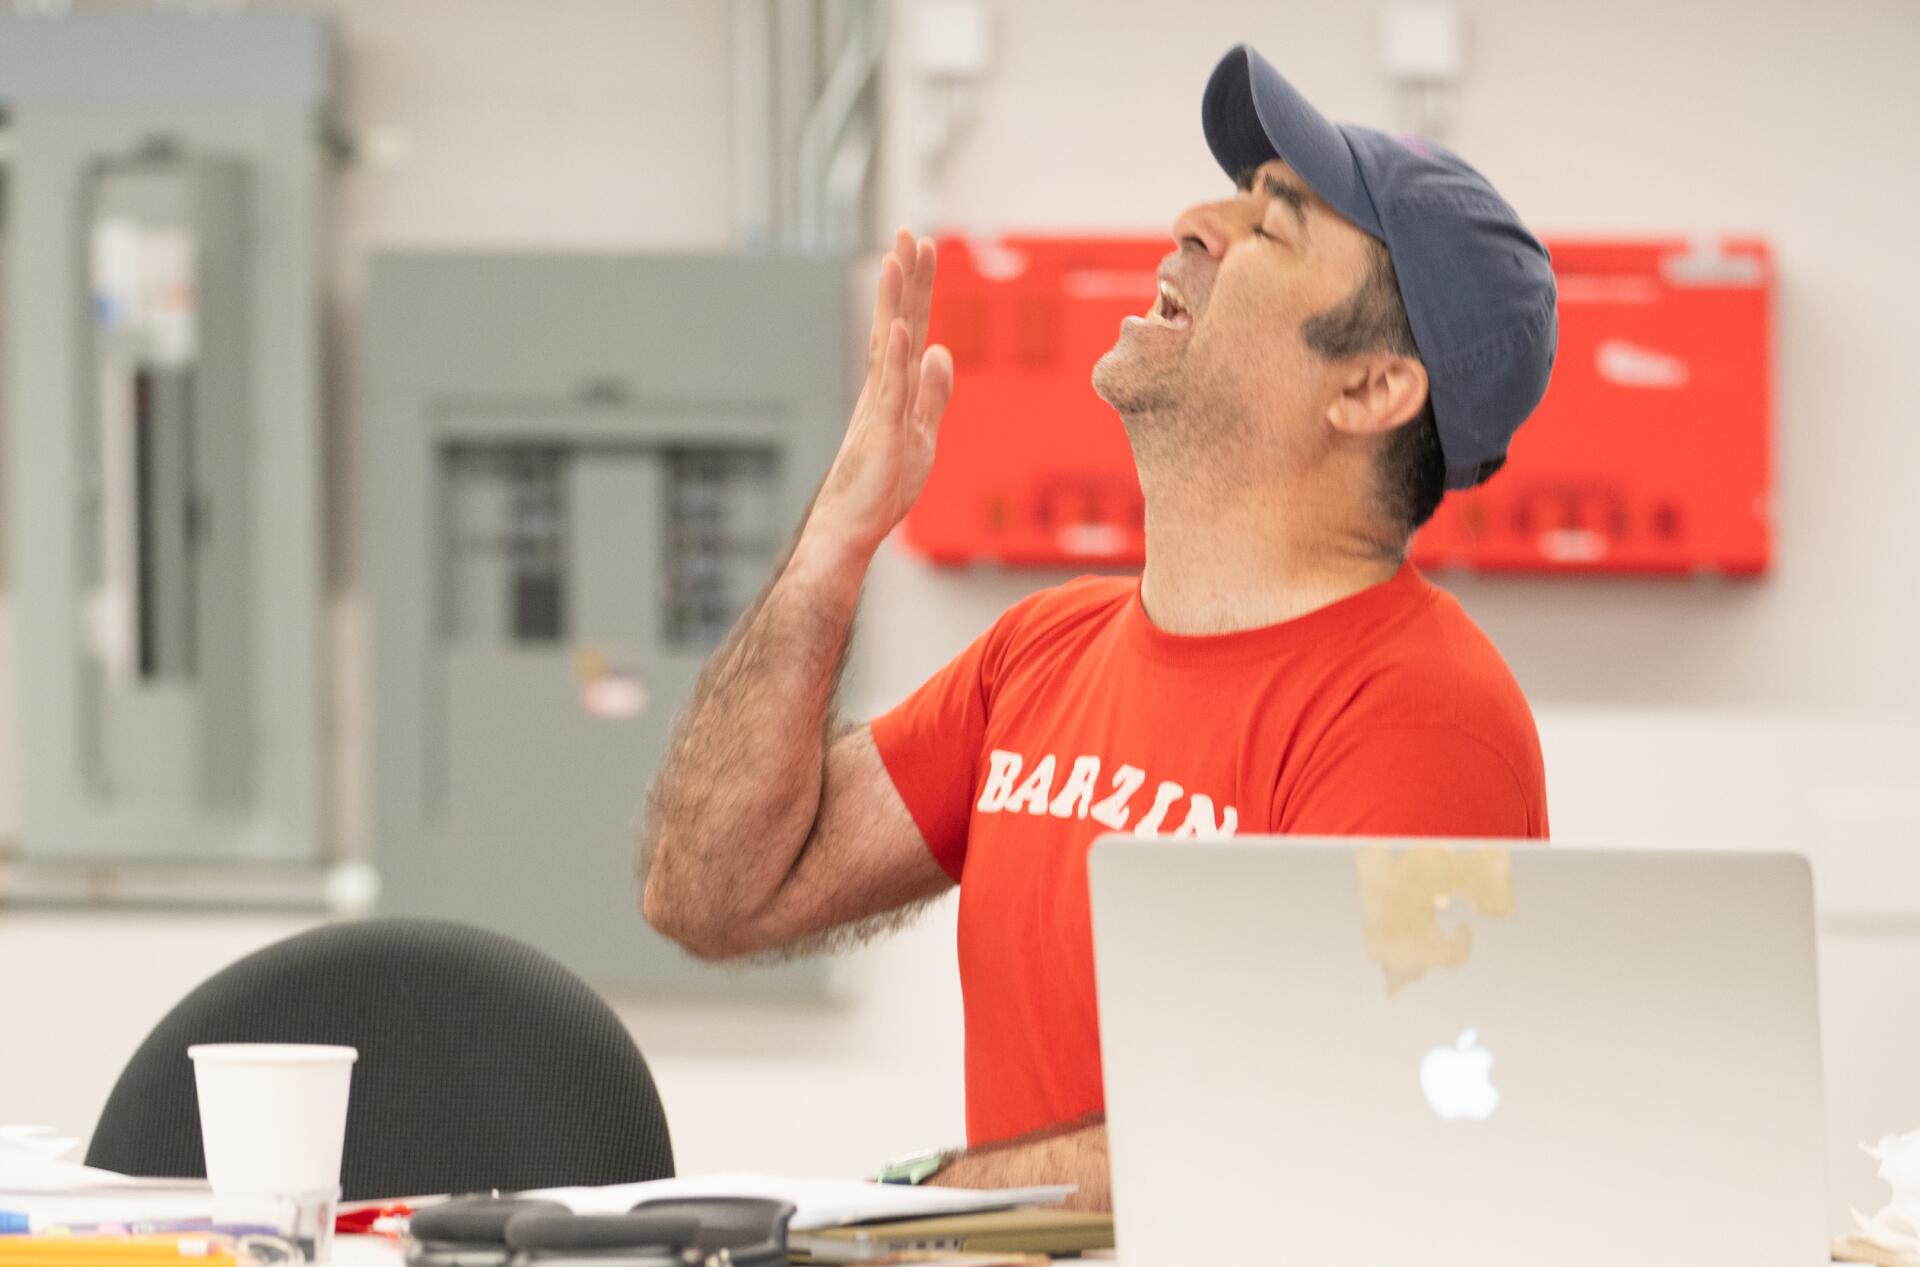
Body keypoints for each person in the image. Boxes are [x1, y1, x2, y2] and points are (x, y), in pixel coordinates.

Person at [638, 44, 1557, 1210]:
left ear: (1371, 390)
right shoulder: (1044, 652)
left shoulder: (1421, 716)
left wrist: (913, 1210)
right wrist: (831, 547)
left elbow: (1336, 1120)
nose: (1193, 223)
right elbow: (715, 892)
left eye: (1272, 227)